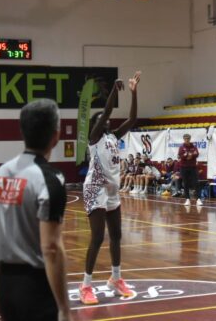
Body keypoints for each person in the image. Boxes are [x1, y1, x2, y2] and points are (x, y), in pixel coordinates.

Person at [0, 99, 71, 321]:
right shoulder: (50, 179)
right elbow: (51, 248)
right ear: (56, 135)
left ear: (22, 131)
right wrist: (64, 308)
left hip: (5, 284)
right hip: (37, 288)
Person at [80, 71, 141, 305]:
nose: (105, 119)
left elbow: (132, 119)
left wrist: (133, 93)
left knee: (116, 235)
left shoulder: (113, 137)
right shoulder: (94, 138)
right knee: (97, 237)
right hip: (95, 188)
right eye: (101, 118)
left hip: (112, 189)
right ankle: (85, 285)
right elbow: (106, 112)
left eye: (105, 119)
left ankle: (116, 278)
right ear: (96, 124)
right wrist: (114, 91)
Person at [179, 133, 201, 206]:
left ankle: (198, 199)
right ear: (184, 139)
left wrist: (191, 155)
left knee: (196, 182)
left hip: (193, 167)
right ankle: (187, 199)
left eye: (188, 138)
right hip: (184, 167)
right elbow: (181, 156)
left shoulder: (194, 147)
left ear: (190, 139)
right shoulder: (181, 147)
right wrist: (187, 156)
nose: (187, 140)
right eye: (185, 139)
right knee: (185, 183)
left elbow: (197, 153)